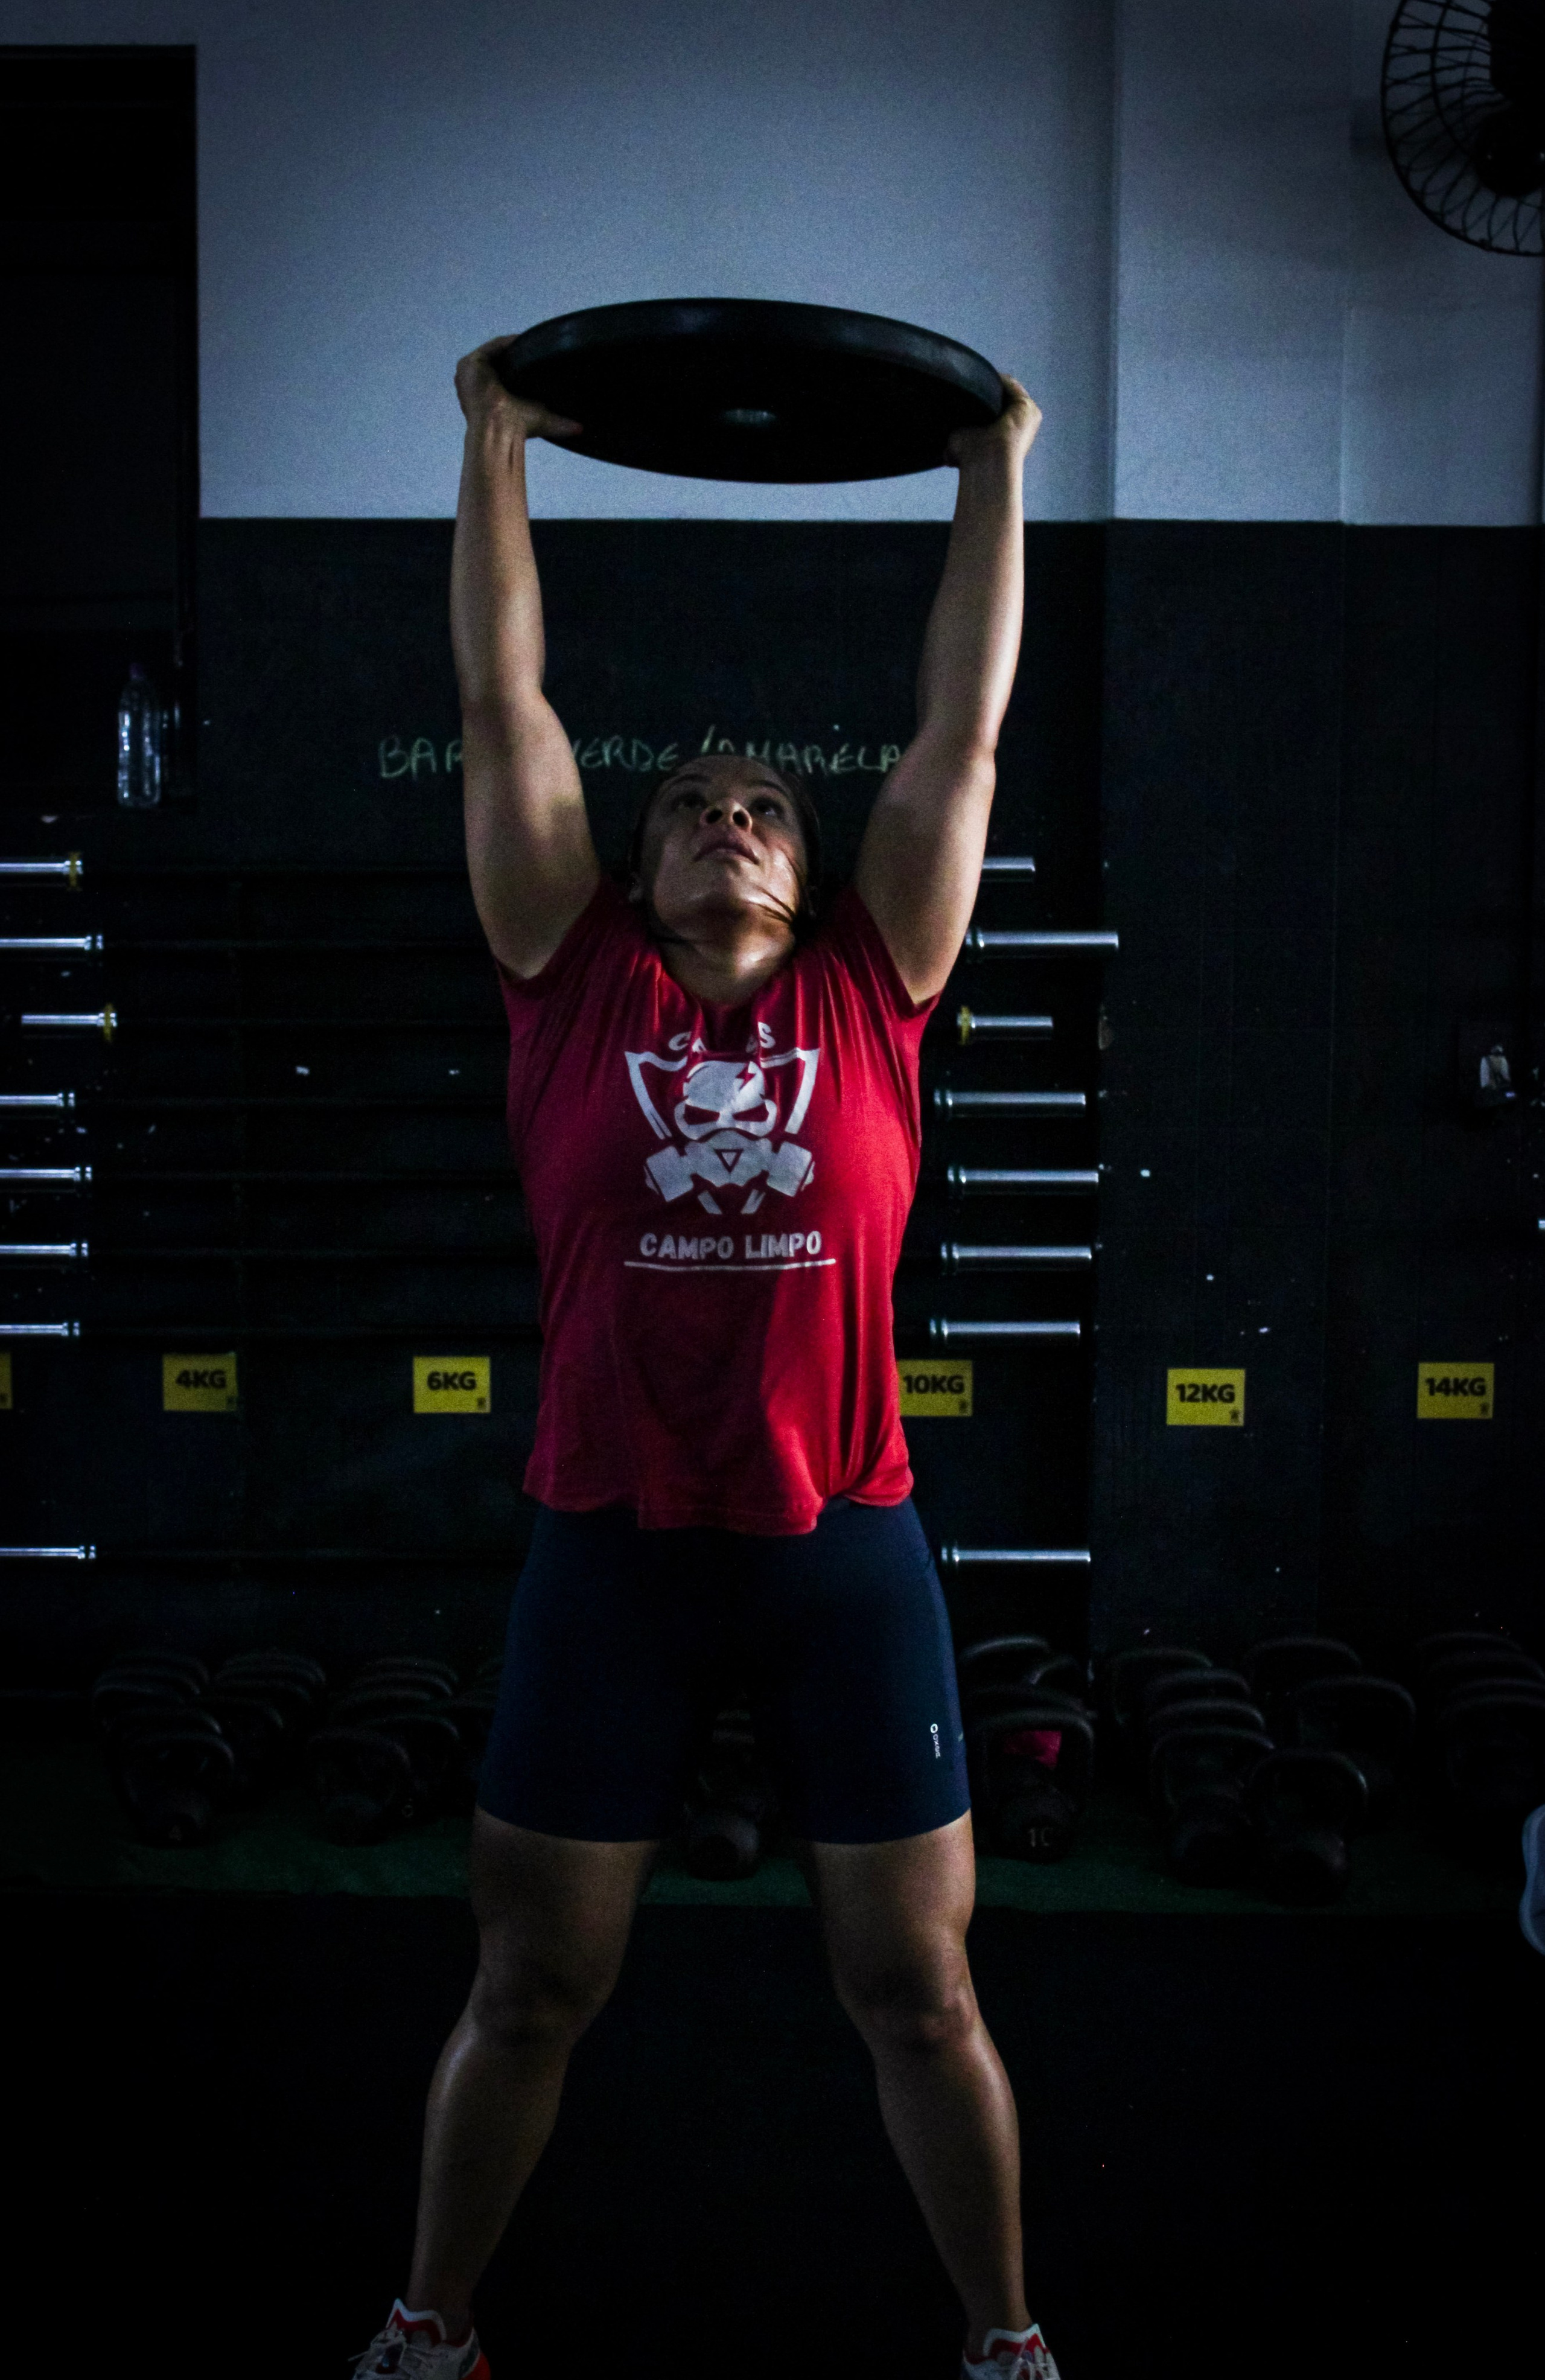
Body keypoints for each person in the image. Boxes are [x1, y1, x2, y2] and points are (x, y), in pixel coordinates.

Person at [354, 333, 1056, 2380]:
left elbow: (962, 733)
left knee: (921, 1993)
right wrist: (495, 441)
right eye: (688, 807)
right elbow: (505, 706)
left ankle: (1008, 2340)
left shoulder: (873, 982)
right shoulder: (566, 974)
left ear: (812, 871)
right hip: (615, 1548)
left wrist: (994, 466)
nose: (728, 822)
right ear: (635, 863)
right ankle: (429, 2323)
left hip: (845, 1548)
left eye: (764, 809)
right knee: (531, 1989)